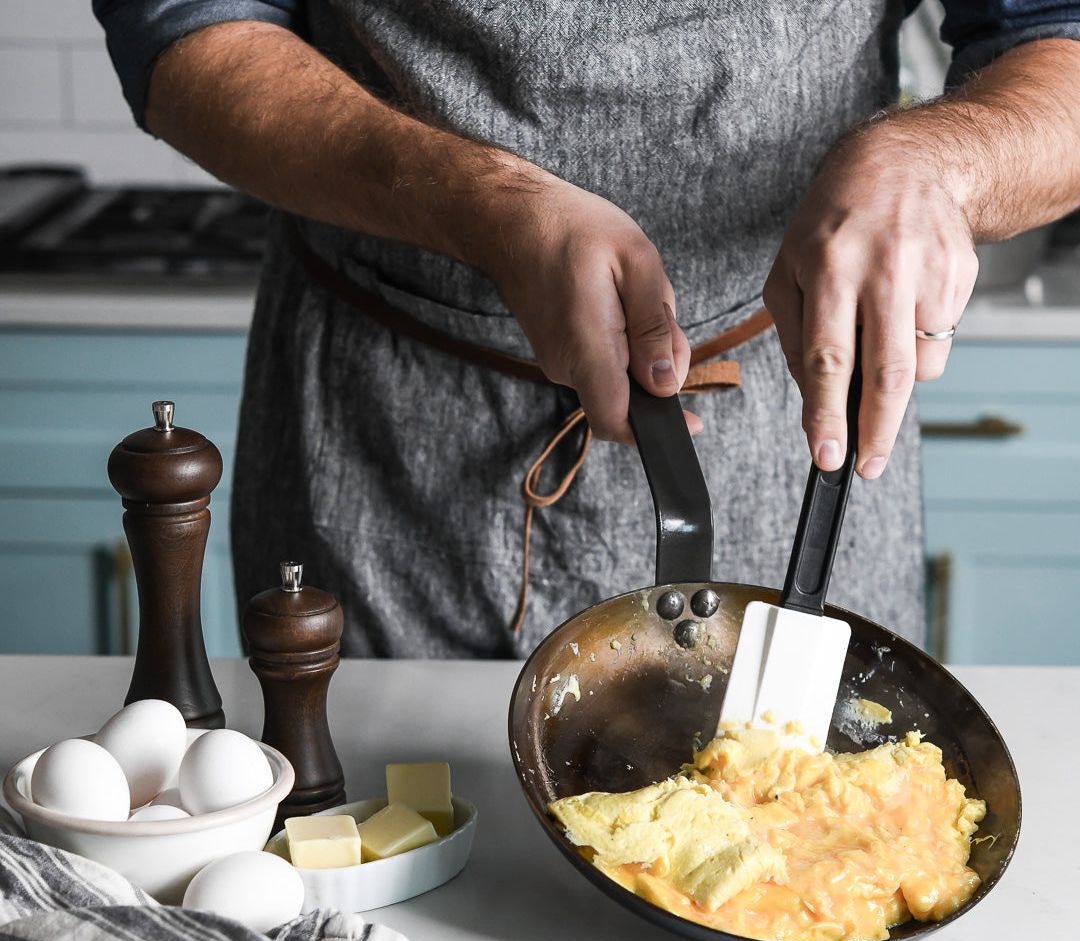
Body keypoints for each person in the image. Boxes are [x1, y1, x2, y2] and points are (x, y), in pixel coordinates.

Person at [94, 1, 1080, 658]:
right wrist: (484, 204)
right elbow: (191, 31)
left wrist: (944, 164)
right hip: (386, 430)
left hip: (787, 415)